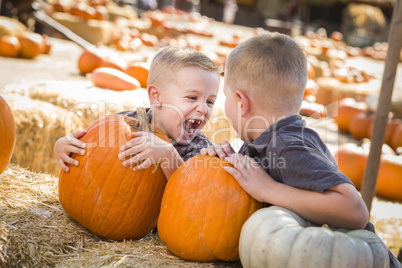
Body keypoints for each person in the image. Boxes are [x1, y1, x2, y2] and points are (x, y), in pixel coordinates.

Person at [200, 32, 400, 267]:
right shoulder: (265, 139)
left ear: (241, 102)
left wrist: (268, 189)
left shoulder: (287, 145)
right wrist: (230, 161)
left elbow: (355, 210)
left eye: (225, 97)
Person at [54, 46, 220, 180]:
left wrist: (167, 154)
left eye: (210, 101)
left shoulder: (201, 150)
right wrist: (62, 147)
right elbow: (89, 148)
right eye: (192, 97)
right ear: (156, 96)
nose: (203, 109)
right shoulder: (125, 123)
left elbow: (192, 194)